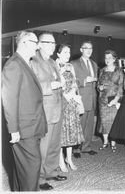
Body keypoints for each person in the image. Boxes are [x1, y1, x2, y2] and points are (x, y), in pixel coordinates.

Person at [1, 31, 48, 191]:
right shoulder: (14, 64)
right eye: (36, 42)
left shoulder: (24, 62)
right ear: (24, 43)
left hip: (31, 126)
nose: (38, 46)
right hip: (23, 129)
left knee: (23, 170)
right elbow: (9, 99)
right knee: (31, 170)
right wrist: (13, 130)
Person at [31, 32, 67, 190]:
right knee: (42, 148)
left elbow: (58, 82)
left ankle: (51, 172)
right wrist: (50, 86)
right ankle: (38, 179)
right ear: (39, 44)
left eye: (54, 43)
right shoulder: (33, 62)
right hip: (44, 111)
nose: (53, 46)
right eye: (49, 43)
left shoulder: (52, 62)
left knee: (54, 145)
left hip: (57, 108)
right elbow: (31, 87)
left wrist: (62, 84)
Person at [55, 44, 85, 172]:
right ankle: (60, 161)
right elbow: (54, 85)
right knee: (62, 133)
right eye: (65, 52)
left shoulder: (70, 66)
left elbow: (74, 83)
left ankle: (69, 159)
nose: (67, 55)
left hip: (71, 102)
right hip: (60, 102)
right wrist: (65, 95)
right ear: (58, 54)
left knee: (71, 132)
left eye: (69, 52)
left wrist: (73, 94)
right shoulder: (54, 65)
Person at [71, 40, 98, 157]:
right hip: (81, 99)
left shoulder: (94, 64)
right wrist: (84, 80)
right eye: (86, 48)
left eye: (90, 48)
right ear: (81, 50)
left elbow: (95, 81)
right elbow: (71, 81)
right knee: (80, 125)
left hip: (92, 99)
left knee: (89, 125)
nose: (89, 50)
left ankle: (86, 147)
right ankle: (76, 149)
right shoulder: (74, 63)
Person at [97, 50, 124, 152]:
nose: (107, 60)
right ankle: (105, 142)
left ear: (114, 59)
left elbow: (121, 87)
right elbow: (98, 85)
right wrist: (100, 87)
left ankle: (113, 143)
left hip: (114, 99)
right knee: (104, 122)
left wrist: (117, 99)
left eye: (109, 58)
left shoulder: (119, 71)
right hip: (103, 100)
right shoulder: (102, 70)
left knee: (113, 122)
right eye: (106, 58)